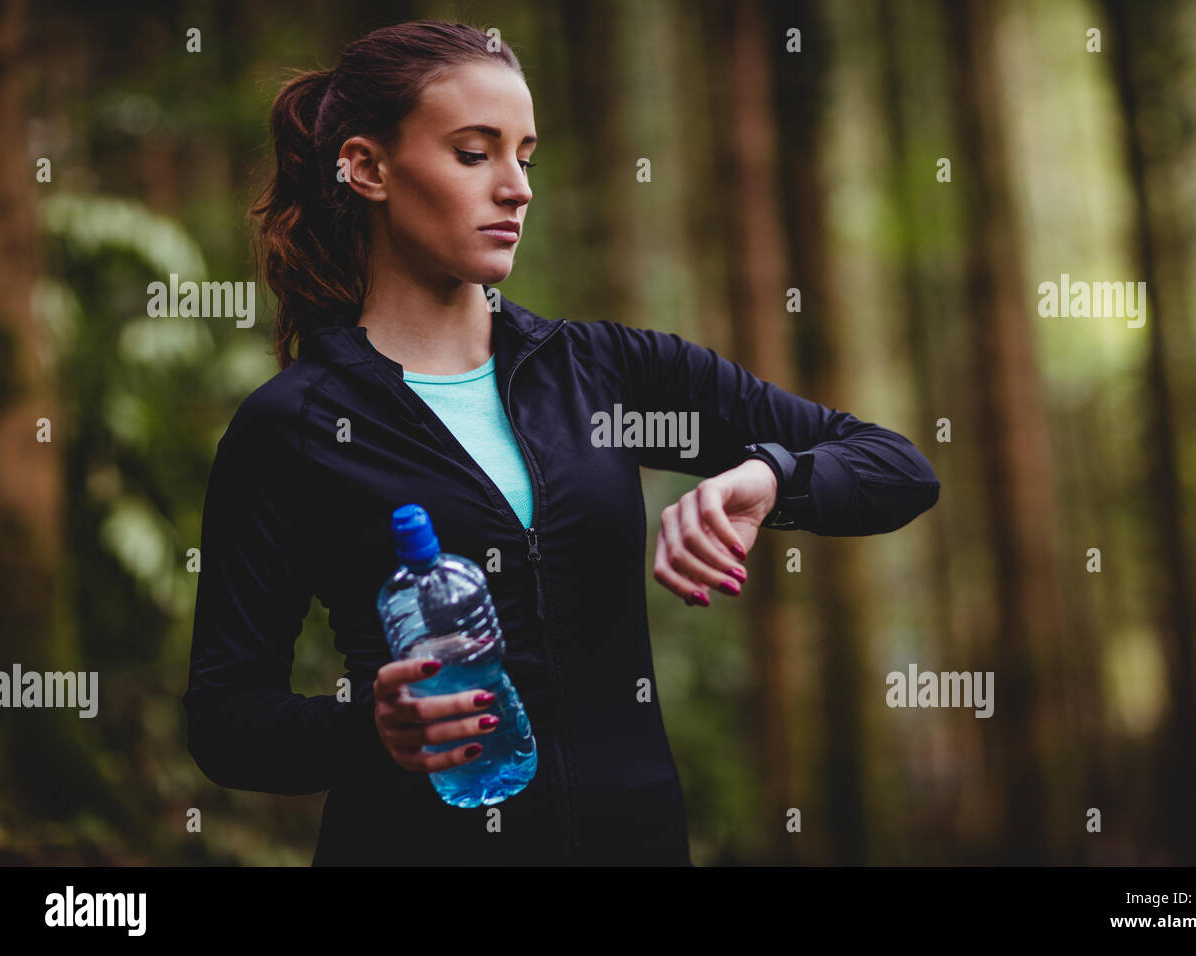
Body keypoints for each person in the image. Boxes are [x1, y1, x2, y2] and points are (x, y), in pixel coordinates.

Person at [182, 19, 941, 866]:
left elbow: (897, 469)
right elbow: (225, 721)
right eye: (475, 154)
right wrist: (369, 728)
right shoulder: (292, 424)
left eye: (525, 157)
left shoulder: (608, 370)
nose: (516, 188)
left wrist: (770, 475)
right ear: (366, 168)